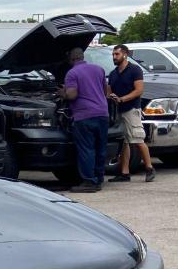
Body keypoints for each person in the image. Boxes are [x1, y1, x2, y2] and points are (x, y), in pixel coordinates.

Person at [59, 47, 109, 193]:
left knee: (87, 149)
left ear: (71, 59)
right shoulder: (99, 69)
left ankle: (89, 181)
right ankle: (99, 178)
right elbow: (105, 91)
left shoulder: (72, 73)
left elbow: (73, 95)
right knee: (101, 148)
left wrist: (63, 93)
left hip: (84, 116)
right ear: (82, 57)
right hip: (103, 113)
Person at [107, 44, 156, 183]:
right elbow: (109, 91)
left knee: (137, 139)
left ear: (125, 54)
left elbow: (139, 90)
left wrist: (122, 99)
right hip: (118, 111)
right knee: (124, 142)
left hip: (131, 109)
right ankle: (124, 173)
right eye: (113, 54)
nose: (114, 57)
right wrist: (111, 97)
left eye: (117, 54)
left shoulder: (135, 70)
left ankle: (149, 168)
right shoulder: (113, 73)